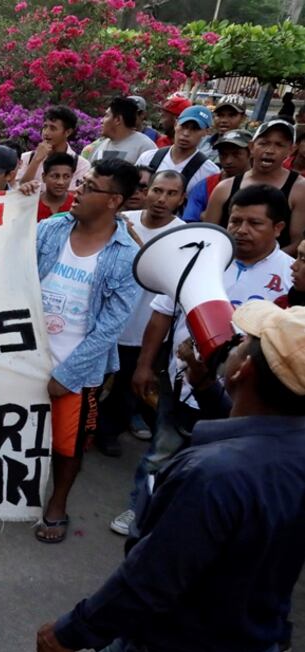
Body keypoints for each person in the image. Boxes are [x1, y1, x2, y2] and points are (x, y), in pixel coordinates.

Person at [37, 301, 305, 652]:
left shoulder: (212, 476)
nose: (235, 343)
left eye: (245, 342)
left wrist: (70, 633)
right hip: (253, 649)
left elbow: (150, 578)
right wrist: (209, 389)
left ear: (243, 370)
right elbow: (261, 435)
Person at [118, 184, 296, 536]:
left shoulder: (291, 275)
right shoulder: (200, 252)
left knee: (224, 468)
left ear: (278, 228)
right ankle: (142, 509)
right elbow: (162, 314)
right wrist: (144, 365)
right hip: (182, 380)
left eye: (254, 223)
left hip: (247, 397)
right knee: (161, 452)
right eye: (235, 220)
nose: (241, 230)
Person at [35, 159, 142, 544]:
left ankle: (57, 503)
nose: (78, 189)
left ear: (114, 200)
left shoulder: (126, 257)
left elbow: (110, 327)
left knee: (68, 446)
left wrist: (67, 376)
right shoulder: (48, 230)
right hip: (25, 360)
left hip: (76, 374)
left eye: (90, 186)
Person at [95, 171, 187, 461]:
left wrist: (138, 244)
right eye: (157, 190)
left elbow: (168, 282)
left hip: (142, 329)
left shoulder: (183, 236)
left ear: (181, 199)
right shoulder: (124, 218)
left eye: (171, 193)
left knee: (126, 388)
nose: (162, 199)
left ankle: (108, 433)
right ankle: (80, 430)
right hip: (105, 322)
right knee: (91, 383)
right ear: (146, 191)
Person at [204, 119, 305, 252]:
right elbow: (207, 235)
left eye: (279, 145)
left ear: (291, 150)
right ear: (251, 147)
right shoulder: (224, 188)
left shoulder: (299, 189)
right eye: (263, 143)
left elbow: (297, 242)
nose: (270, 150)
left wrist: (261, 264)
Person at [134, 106, 219, 197]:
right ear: (175, 125)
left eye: (195, 129)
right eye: (183, 126)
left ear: (207, 132)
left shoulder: (210, 171)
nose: (186, 133)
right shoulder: (148, 158)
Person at [19, 106, 92, 190]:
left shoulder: (81, 165)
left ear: (68, 132)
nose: (46, 133)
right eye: (45, 127)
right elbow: (18, 191)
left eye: (53, 128)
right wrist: (36, 161)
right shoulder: (26, 158)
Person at [82, 98, 158, 165]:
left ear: (118, 120)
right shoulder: (98, 145)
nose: (102, 121)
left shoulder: (146, 147)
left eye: (106, 115)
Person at [199, 95, 247, 159]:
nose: (224, 120)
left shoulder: (245, 148)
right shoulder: (203, 141)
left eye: (232, 115)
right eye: (220, 115)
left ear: (243, 118)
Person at [38, 153, 77, 221]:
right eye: (55, 176)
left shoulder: (77, 204)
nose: (60, 182)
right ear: (44, 177)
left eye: (66, 177)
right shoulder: (32, 204)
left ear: (71, 177)